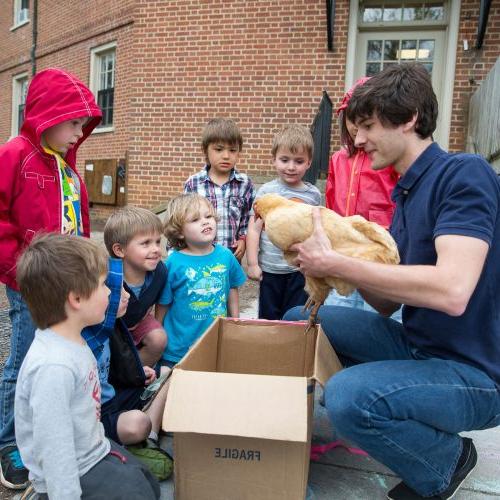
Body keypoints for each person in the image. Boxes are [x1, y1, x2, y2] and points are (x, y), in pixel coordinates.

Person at [283, 63, 500, 499]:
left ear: (410, 118)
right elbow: (384, 305)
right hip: (421, 347)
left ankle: (444, 461)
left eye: (367, 126)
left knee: (348, 397)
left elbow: (453, 290)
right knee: (300, 317)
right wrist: (333, 263)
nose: (357, 140)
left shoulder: (464, 174)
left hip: (476, 374)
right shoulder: (405, 194)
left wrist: (343, 265)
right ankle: (366, 410)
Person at [0, 67, 102, 489]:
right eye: (74, 122)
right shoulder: (15, 154)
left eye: (84, 124)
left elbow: (76, 225)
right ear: (49, 114)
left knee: (59, 354)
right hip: (31, 282)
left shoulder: (67, 168)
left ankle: (56, 427)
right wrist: (18, 270)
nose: (80, 132)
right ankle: (10, 442)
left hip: (67, 284)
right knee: (24, 357)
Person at [15, 233, 160, 499]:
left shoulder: (74, 341)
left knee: (147, 483)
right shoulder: (54, 367)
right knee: (140, 494)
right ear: (76, 299)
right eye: (104, 285)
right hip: (74, 472)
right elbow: (55, 451)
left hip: (94, 450)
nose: (110, 292)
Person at [82, 257, 173, 481]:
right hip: (96, 417)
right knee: (137, 424)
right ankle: (139, 439)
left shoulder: (110, 327)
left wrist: (139, 372)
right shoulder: (85, 338)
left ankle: (147, 438)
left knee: (169, 374)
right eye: (115, 289)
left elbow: (112, 373)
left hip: (115, 399)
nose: (127, 295)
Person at [325, 78, 400, 316]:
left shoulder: (387, 156)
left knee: (380, 316)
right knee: (339, 309)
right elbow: (330, 197)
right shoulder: (339, 158)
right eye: (351, 120)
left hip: (378, 250)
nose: (357, 127)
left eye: (365, 121)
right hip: (344, 248)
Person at [156, 193, 246, 367]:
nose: (205, 222)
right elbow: (164, 302)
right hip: (178, 348)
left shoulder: (226, 256)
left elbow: (232, 287)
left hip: (216, 343)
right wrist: (158, 331)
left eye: (209, 216)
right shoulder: (173, 263)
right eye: (195, 219)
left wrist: (235, 320)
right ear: (180, 232)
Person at [246, 124, 321, 320]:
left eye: (299, 161)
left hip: (300, 269)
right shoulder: (266, 193)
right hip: (270, 268)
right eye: (284, 160)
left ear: (309, 163)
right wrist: (253, 263)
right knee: (269, 318)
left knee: (295, 316)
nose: (291, 167)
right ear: (274, 160)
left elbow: (315, 231)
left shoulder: (313, 195)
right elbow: (254, 230)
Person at [103, 207, 167, 368]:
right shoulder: (106, 276)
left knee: (159, 339)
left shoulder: (160, 271)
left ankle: (136, 374)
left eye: (158, 241)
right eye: (146, 243)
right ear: (120, 250)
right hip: (110, 327)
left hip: (139, 321)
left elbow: (155, 302)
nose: (156, 249)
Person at [184, 118, 255, 261]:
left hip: (231, 254)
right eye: (219, 149)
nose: (226, 156)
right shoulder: (194, 183)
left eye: (232, 150)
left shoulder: (245, 184)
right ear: (205, 150)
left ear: (239, 153)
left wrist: (243, 238)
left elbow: (247, 217)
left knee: (231, 283)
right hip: (201, 253)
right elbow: (183, 218)